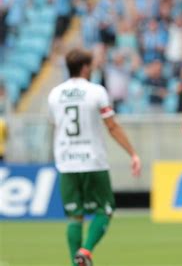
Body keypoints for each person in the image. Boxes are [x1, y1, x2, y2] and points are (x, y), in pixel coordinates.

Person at [48, 49, 142, 266]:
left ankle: (76, 262)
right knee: (106, 209)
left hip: (66, 161)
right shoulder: (96, 91)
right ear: (84, 68)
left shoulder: (55, 94)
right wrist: (133, 153)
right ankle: (86, 251)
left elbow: (56, 125)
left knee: (75, 216)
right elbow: (112, 126)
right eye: (90, 66)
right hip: (92, 159)